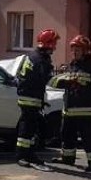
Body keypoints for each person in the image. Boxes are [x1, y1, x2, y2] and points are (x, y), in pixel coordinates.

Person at [51, 35, 91, 172]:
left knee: (90, 138)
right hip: (69, 111)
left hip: (86, 112)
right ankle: (68, 158)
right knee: (67, 136)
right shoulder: (70, 66)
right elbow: (53, 82)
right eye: (73, 49)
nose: (75, 52)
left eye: (78, 50)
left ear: (86, 51)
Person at [14, 29, 59, 166]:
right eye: (54, 43)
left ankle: (28, 154)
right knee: (28, 128)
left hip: (27, 96)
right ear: (48, 44)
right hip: (31, 98)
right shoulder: (41, 60)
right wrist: (61, 80)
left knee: (30, 127)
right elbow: (46, 79)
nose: (55, 47)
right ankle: (23, 156)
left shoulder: (31, 56)